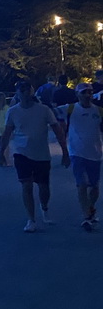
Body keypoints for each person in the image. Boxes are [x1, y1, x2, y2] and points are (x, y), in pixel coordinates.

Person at [0, 81, 69, 232]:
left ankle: (44, 207)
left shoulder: (44, 110)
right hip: (22, 153)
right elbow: (7, 133)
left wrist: (65, 151)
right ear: (17, 93)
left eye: (27, 89)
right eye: (21, 90)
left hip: (41, 154)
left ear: (32, 92)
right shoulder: (13, 111)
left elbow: (57, 129)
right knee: (27, 185)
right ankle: (31, 219)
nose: (25, 93)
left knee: (43, 187)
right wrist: (1, 153)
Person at [63, 84, 102, 231]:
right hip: (77, 153)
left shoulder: (98, 111)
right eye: (84, 92)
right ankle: (86, 216)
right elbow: (50, 113)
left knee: (94, 187)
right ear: (78, 94)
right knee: (82, 185)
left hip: (95, 153)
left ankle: (91, 208)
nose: (88, 95)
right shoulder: (70, 109)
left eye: (90, 92)